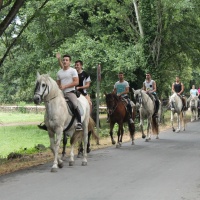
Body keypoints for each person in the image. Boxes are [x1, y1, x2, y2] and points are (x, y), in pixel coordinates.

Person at [56, 54, 83, 131]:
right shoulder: (59, 72)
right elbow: (58, 84)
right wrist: (59, 87)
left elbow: (76, 82)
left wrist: (65, 86)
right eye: (63, 60)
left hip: (70, 92)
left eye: (66, 60)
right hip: (61, 93)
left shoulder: (73, 71)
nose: (65, 61)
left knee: (75, 104)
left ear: (70, 62)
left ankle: (79, 122)